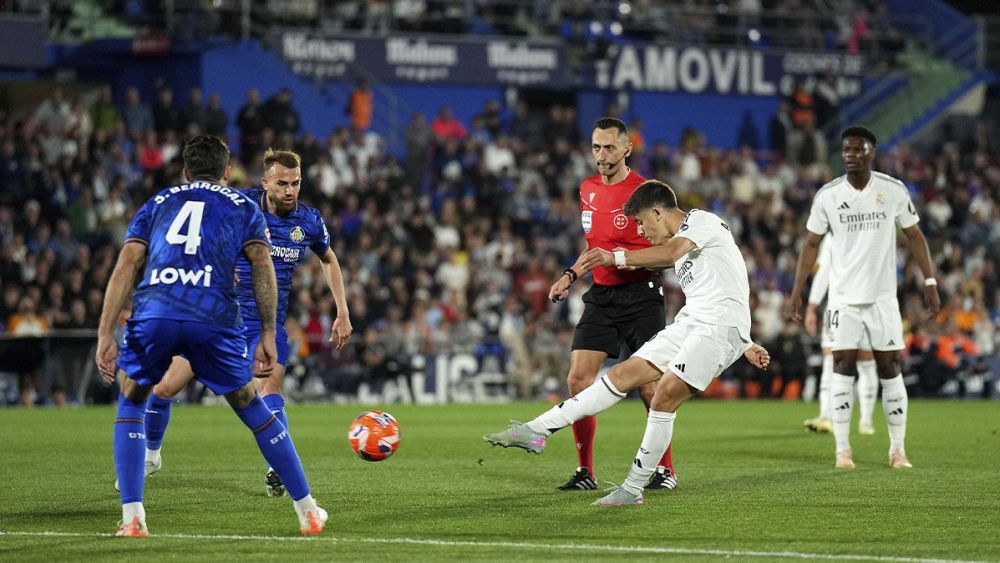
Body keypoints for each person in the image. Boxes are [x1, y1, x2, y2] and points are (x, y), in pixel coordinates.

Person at [484, 180, 770, 506]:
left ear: (658, 212)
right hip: (693, 323)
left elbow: (672, 256)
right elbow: (726, 282)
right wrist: (746, 343)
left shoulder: (701, 221)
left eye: (641, 223)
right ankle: (535, 430)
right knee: (622, 374)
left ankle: (632, 488)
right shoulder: (687, 244)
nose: (641, 231)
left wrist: (616, 257)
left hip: (718, 328)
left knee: (663, 396)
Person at [95, 135, 327, 537]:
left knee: (133, 399)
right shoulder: (242, 205)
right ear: (227, 171)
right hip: (213, 316)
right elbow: (262, 266)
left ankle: (133, 518)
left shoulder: (158, 202)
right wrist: (268, 331)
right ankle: (307, 511)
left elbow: (127, 263)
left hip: (157, 311)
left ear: (185, 171)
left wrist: (105, 332)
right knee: (252, 405)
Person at [131, 148, 353, 498]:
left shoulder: (308, 221)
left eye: (296, 183)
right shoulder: (238, 204)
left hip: (265, 324)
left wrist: (342, 311)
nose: (290, 191)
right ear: (265, 182)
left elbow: (328, 259)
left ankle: (277, 467)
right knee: (163, 389)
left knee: (270, 388)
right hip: (216, 318)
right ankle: (151, 456)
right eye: (282, 184)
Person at [785, 125, 940, 470]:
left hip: (883, 298)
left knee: (890, 368)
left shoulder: (892, 190)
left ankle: (897, 450)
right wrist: (798, 293)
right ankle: (843, 450)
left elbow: (915, 236)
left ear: (872, 152)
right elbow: (811, 244)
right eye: (846, 150)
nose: (851, 155)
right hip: (843, 299)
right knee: (842, 366)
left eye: (858, 149)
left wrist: (929, 280)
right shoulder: (828, 195)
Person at [547, 117, 676, 491]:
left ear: (627, 149)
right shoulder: (587, 189)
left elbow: (669, 250)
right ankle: (585, 472)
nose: (601, 155)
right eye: (596, 147)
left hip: (640, 295)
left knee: (649, 388)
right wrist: (569, 275)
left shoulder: (646, 193)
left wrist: (626, 260)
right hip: (602, 296)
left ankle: (665, 469)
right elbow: (594, 247)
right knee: (577, 380)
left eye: (609, 147)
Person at [802, 238, 879, 435]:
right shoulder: (874, 229)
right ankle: (863, 421)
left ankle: (829, 417)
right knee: (864, 364)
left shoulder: (835, 232)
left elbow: (823, 271)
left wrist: (812, 305)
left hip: (843, 304)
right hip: (867, 303)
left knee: (834, 361)